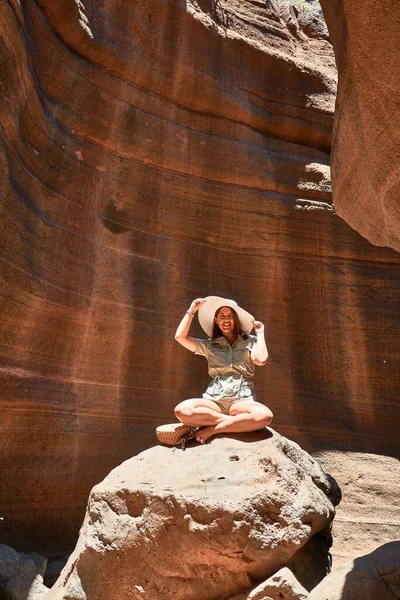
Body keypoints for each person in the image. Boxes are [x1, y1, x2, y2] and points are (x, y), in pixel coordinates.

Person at [156, 296, 273, 447]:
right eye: (222, 316)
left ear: (236, 320)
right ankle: (235, 423)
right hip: (214, 400)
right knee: (182, 410)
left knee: (264, 416)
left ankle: (212, 429)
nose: (226, 319)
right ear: (216, 320)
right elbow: (180, 337)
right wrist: (191, 311)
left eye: (230, 316)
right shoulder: (209, 345)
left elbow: (261, 360)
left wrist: (261, 333)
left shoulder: (250, 341)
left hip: (242, 400)